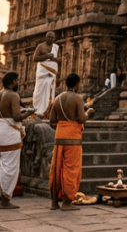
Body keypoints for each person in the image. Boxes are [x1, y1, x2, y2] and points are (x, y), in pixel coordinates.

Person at [0, 71, 34, 209]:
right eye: (18, 81)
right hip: (9, 134)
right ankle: (5, 201)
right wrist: (28, 113)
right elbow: (16, 117)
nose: (19, 83)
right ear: (13, 81)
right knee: (9, 167)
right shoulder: (13, 95)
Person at [48, 73, 93, 211]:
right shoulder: (77, 98)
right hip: (73, 138)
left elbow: (51, 121)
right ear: (77, 84)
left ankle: (54, 203)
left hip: (60, 136)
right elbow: (81, 118)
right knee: (70, 169)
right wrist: (89, 112)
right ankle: (67, 203)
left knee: (57, 168)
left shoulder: (57, 99)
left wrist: (63, 126)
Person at [32, 31, 61, 119]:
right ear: (46, 37)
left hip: (51, 73)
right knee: (38, 92)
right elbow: (35, 58)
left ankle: (47, 111)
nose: (50, 39)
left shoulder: (56, 47)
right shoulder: (40, 46)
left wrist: (52, 58)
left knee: (50, 90)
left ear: (54, 38)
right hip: (42, 72)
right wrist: (46, 56)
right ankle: (37, 111)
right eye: (48, 37)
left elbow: (60, 59)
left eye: (52, 37)